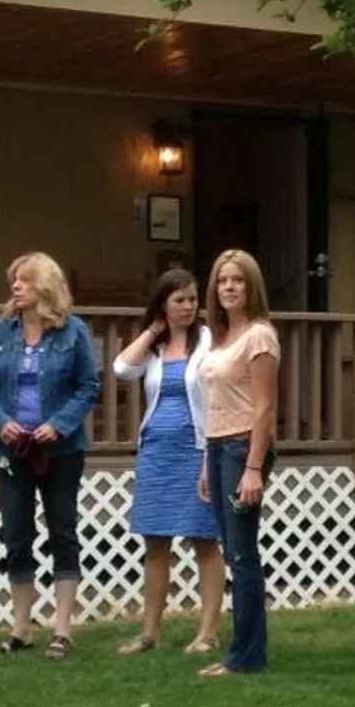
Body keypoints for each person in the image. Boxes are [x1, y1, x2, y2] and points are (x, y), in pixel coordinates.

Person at [0, 252, 102, 658]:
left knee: (62, 529)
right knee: (16, 532)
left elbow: (88, 386)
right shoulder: (0, 331)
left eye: (25, 280)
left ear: (45, 287)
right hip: (11, 448)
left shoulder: (72, 332)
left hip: (60, 450)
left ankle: (62, 629)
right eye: (14, 279)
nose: (16, 287)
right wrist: (0, 420)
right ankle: (22, 627)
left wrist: (59, 424)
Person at [112, 266, 226, 655]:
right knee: (156, 541)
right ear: (163, 304)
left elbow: (216, 398)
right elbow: (122, 368)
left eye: (193, 299)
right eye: (179, 300)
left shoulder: (210, 341)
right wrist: (153, 331)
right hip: (156, 453)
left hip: (196, 451)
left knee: (204, 540)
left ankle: (208, 632)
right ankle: (149, 632)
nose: (188, 307)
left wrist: (211, 459)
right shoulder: (157, 348)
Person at [193, 248, 279, 677]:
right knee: (233, 552)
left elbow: (263, 408)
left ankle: (247, 656)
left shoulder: (259, 336)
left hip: (244, 447)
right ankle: (240, 648)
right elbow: (214, 403)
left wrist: (253, 467)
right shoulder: (221, 336)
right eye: (223, 280)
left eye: (237, 280)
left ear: (252, 286)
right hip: (218, 447)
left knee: (243, 554)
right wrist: (207, 463)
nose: (228, 287)